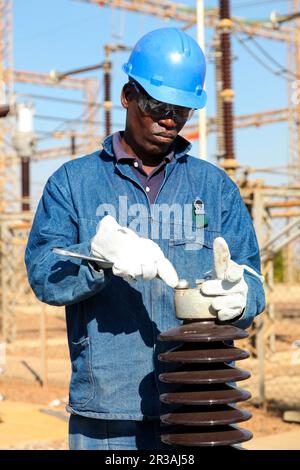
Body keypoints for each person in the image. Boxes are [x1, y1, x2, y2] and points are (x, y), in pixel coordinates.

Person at [25, 27, 265, 450]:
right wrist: (95, 259)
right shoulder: (73, 184)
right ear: (126, 96)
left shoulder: (214, 188)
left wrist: (244, 295)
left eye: (182, 109)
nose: (169, 118)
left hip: (200, 403)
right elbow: (45, 273)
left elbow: (254, 280)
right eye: (156, 105)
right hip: (109, 413)